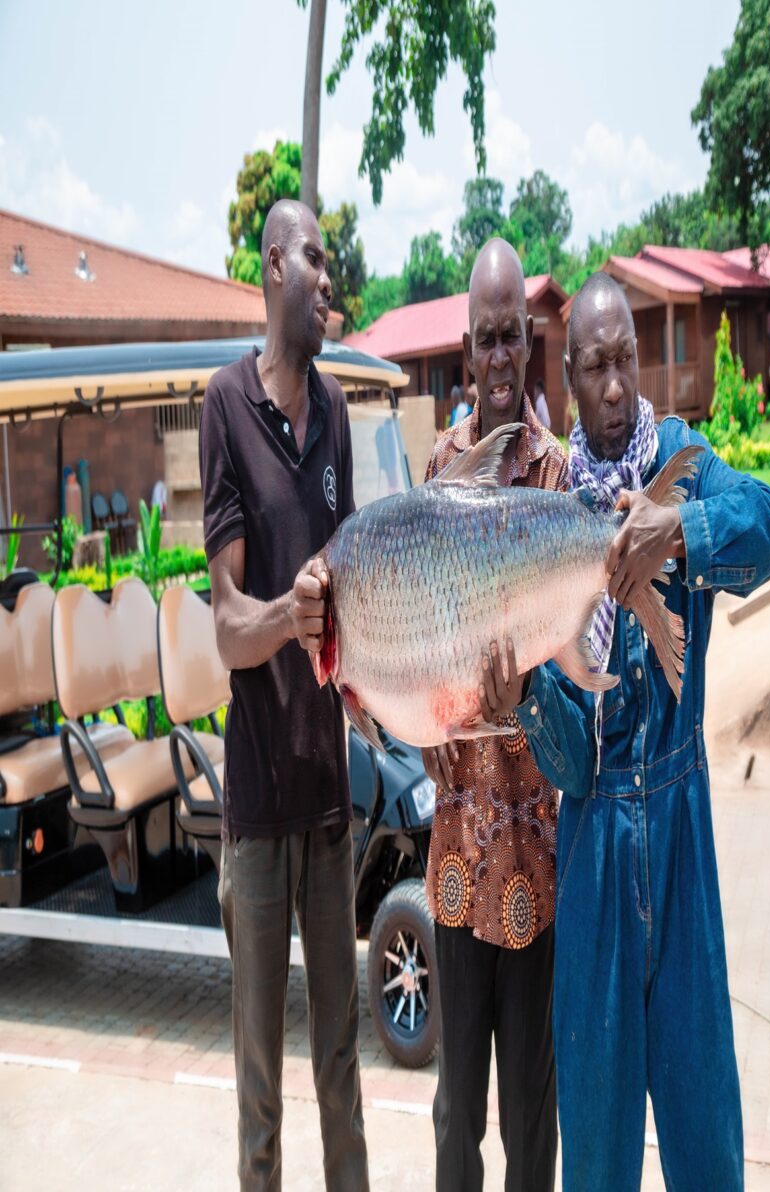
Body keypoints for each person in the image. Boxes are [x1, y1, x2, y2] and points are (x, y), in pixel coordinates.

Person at [478, 272, 770, 1191]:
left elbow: (769, 529)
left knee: (706, 1137)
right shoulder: (553, 510)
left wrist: (680, 528)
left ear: (640, 362)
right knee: (601, 1152)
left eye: (627, 362)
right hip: (595, 848)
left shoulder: (684, 461)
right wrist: (527, 693)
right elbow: (572, 766)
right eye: (595, 367)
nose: (615, 387)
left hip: (682, 824)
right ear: (568, 376)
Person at [199, 199, 368, 1192]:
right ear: (272, 271)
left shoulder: (339, 412)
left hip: (329, 807)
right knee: (260, 1091)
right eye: (313, 259)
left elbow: (341, 580)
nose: (326, 277)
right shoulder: (224, 404)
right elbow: (227, 624)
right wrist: (291, 618)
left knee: (339, 1069)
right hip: (259, 817)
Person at [422, 238, 566, 1192]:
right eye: (487, 339)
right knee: (453, 1115)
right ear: (468, 349)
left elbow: (572, 652)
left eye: (515, 336)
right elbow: (417, 622)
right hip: (456, 855)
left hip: (536, 860)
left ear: (530, 339)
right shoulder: (440, 470)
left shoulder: (556, 480)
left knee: (530, 1118)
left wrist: (534, 696)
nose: (503, 357)